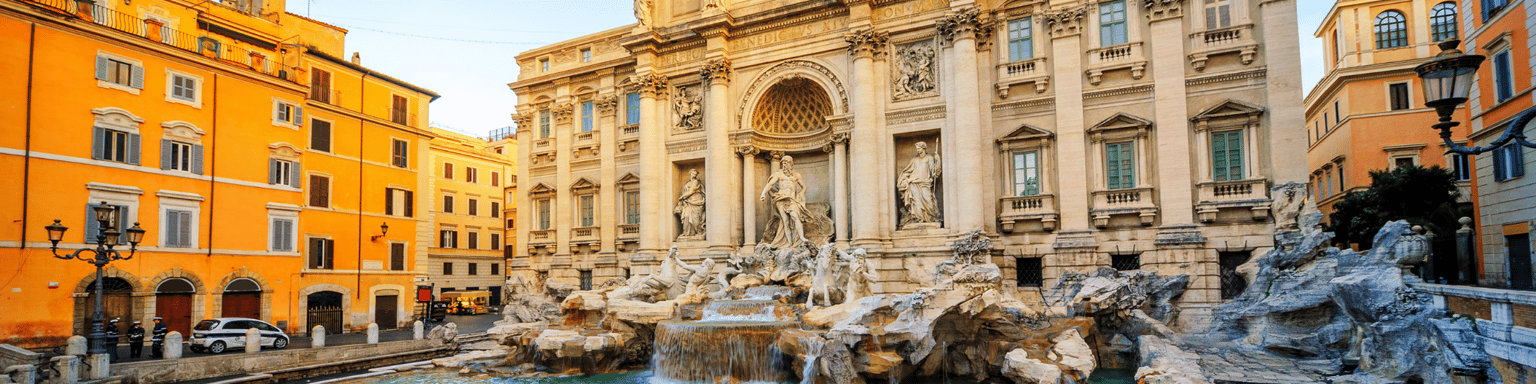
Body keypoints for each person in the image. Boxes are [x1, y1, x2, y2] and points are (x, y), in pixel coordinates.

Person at [759, 155, 810, 248]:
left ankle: (802, 237)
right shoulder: (779, 174)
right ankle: (789, 242)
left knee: (795, 217)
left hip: (791, 199)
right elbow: (770, 185)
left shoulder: (796, 175)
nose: (784, 164)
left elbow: (804, 187)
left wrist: (801, 193)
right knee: (785, 220)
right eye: (783, 162)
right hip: (780, 198)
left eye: (786, 162)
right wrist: (763, 193)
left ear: (791, 163)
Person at [898, 141, 943, 227]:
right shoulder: (914, 160)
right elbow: (907, 171)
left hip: (925, 183)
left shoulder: (929, 158)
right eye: (917, 149)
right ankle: (918, 219)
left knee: (928, 200)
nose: (918, 150)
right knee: (916, 202)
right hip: (914, 183)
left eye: (919, 148)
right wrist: (904, 179)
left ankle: (930, 218)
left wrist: (938, 161)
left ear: (923, 148)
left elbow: (934, 172)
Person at [675, 169, 706, 239]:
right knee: (686, 216)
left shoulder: (695, 182)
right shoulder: (687, 183)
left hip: (696, 200)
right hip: (688, 201)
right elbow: (686, 191)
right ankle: (686, 233)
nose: (694, 175)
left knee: (696, 218)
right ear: (690, 173)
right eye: (693, 173)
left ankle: (699, 232)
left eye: (695, 174)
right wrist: (683, 199)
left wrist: (682, 197)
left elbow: (691, 191)